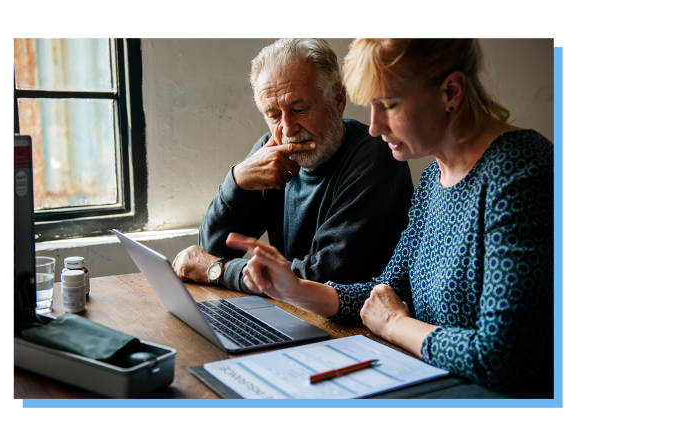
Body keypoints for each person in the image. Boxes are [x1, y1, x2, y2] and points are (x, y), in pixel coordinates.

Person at [227, 39, 553, 398]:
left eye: (390, 105)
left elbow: (507, 358)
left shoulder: (521, 171)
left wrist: (397, 325)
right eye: (371, 106)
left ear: (451, 92)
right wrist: (295, 289)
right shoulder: (433, 178)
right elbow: (388, 289)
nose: (374, 127)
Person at [172, 38, 414, 296]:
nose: (287, 129)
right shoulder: (271, 151)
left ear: (338, 99)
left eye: (299, 109)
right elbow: (211, 250)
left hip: (358, 326)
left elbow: (325, 278)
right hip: (295, 312)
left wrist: (219, 271)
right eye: (274, 115)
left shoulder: (376, 157)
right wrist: (237, 180)